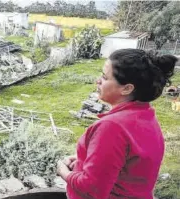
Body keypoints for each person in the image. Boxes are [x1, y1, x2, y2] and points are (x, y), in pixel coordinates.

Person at [56, 49, 178, 199]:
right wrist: (86, 158)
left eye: (105, 77)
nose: (98, 81)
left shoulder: (112, 127)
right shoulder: (146, 116)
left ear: (127, 88)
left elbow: (93, 190)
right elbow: (127, 164)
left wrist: (65, 172)